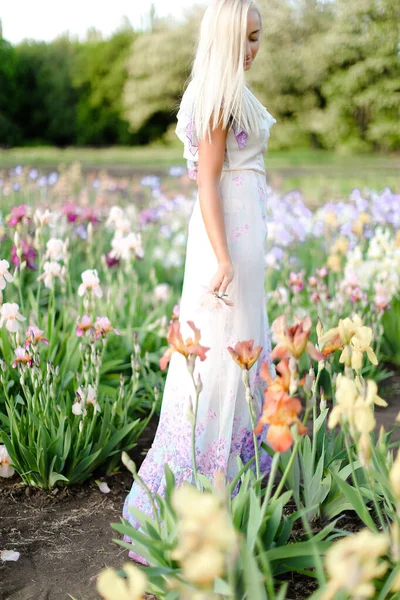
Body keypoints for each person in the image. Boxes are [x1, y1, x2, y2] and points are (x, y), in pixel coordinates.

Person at [122, 0, 277, 564]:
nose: (255, 49)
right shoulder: (215, 93)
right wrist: (224, 258)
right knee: (215, 363)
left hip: (243, 236)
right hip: (225, 241)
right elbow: (207, 184)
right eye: (248, 38)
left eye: (260, 38)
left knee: (240, 353)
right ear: (227, 36)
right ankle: (196, 498)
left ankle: (235, 491)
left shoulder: (234, 89)